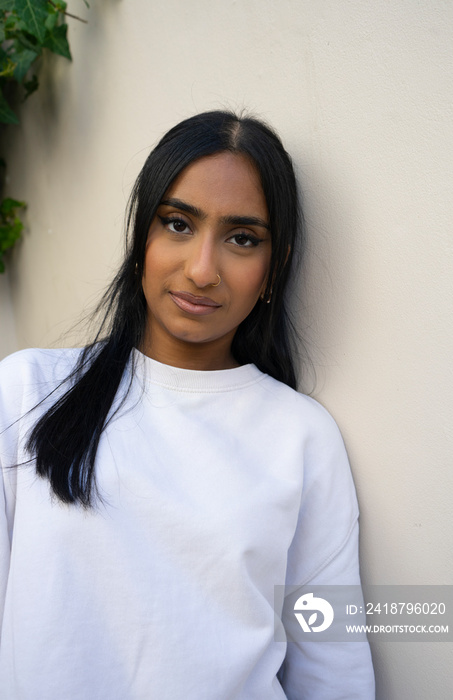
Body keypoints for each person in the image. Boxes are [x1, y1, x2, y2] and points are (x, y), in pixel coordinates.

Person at [0, 111, 375, 699]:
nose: (201, 270)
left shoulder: (303, 437)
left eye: (242, 238)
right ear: (141, 235)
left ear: (274, 266)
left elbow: (333, 664)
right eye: (177, 224)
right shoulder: (26, 392)